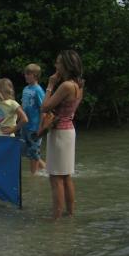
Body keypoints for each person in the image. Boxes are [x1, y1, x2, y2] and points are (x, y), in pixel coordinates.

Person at [41, 50, 84, 219]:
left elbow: (44, 107)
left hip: (59, 133)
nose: (55, 65)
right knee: (66, 176)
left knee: (55, 178)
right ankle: (69, 215)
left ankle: (56, 219)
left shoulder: (65, 86)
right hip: (69, 131)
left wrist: (50, 85)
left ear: (66, 65)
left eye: (58, 62)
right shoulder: (78, 85)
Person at [19, 64, 47, 174]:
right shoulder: (25, 89)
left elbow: (43, 110)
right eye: (25, 73)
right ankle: (47, 169)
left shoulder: (38, 90)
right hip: (25, 126)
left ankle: (33, 176)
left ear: (35, 75)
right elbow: (23, 106)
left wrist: (40, 127)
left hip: (34, 127)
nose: (25, 76)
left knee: (34, 153)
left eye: (28, 74)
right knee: (27, 151)